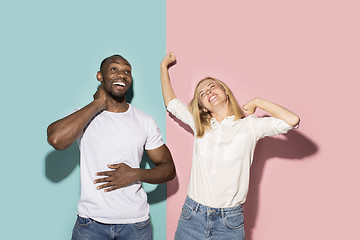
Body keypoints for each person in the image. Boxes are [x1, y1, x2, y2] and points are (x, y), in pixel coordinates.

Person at [160, 52, 300, 240]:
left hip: (229, 222)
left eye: (212, 87)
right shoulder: (200, 125)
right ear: (203, 107)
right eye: (202, 93)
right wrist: (163, 67)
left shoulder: (250, 126)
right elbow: (171, 103)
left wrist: (258, 101)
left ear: (225, 91)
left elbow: (292, 120)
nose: (208, 92)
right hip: (192, 215)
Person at [47, 54, 176, 240]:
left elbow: (168, 168)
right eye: (114, 69)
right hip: (90, 225)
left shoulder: (144, 121)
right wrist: (98, 103)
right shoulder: (83, 117)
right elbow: (56, 139)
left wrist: (136, 174)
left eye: (127, 71)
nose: (122, 75)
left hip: (136, 226)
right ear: (100, 76)